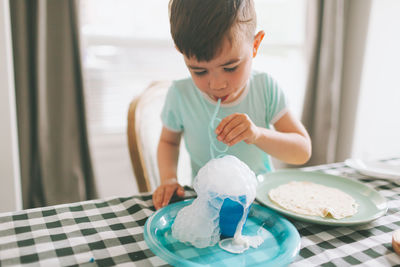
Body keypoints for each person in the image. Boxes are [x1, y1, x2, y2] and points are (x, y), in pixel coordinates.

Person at [153, 0, 311, 210]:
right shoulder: (180, 94)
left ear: (255, 45)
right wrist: (168, 179)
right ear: (181, 53)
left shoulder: (264, 87)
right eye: (199, 71)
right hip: (206, 203)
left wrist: (257, 135)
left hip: (261, 202)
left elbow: (302, 151)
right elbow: (168, 142)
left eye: (231, 67)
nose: (217, 84)